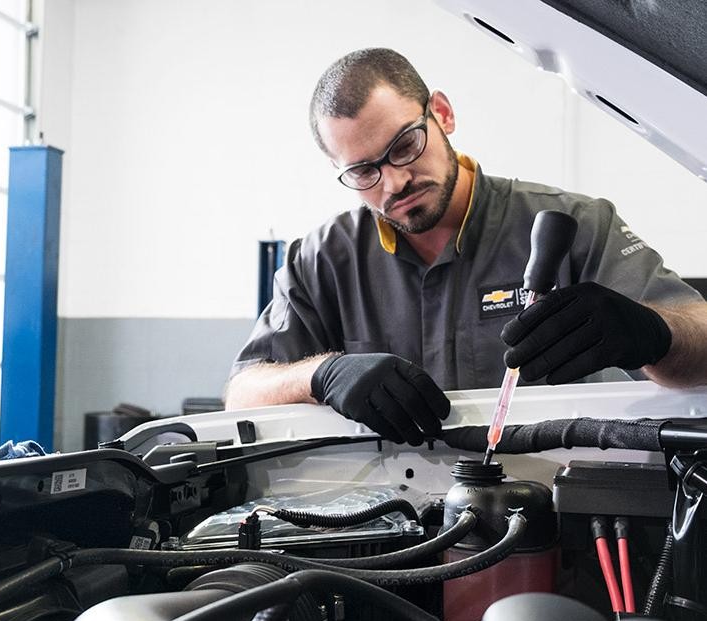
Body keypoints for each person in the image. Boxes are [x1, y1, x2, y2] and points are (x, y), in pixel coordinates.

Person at [225, 47, 707, 445]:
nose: (394, 181)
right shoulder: (322, 259)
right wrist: (322, 375)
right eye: (363, 171)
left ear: (442, 114)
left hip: (565, 522)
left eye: (404, 145)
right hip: (400, 532)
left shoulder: (578, 224)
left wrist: (651, 332)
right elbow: (242, 394)